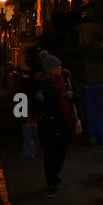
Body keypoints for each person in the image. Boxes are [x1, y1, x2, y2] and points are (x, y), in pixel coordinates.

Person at [33, 52, 77, 196]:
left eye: (59, 65)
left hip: (64, 121)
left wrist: (72, 95)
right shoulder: (42, 82)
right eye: (56, 66)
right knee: (51, 153)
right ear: (49, 69)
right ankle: (51, 183)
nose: (59, 68)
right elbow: (35, 102)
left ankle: (56, 174)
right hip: (49, 123)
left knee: (61, 151)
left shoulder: (65, 77)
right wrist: (40, 100)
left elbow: (76, 93)